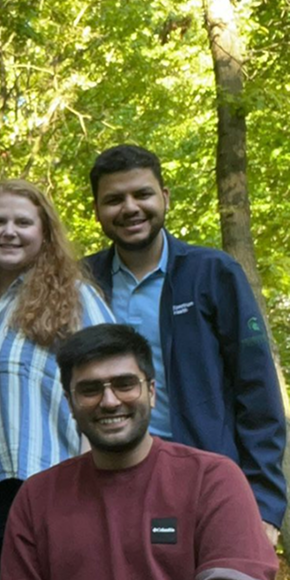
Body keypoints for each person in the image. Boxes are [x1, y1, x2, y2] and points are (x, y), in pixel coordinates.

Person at [0, 323, 277, 580]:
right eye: (90, 389)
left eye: (125, 384)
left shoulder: (212, 479)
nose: (109, 401)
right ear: (71, 403)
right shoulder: (38, 498)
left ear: (152, 391)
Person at [84, 144, 286, 544]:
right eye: (113, 199)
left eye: (141, 194)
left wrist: (265, 505)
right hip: (103, 483)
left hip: (202, 479)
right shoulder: (83, 283)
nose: (129, 208)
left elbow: (258, 390)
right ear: (97, 210)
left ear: (165, 198)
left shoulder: (213, 273)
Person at [0, 179, 114, 580]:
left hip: (54, 484)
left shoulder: (75, 298)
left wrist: (98, 474)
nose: (9, 231)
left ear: (44, 233)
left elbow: (110, 385)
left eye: (23, 222)